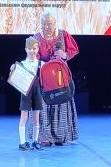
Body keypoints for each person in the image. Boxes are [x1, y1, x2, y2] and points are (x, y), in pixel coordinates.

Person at [36, 11, 79, 146]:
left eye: (49, 24)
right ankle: (45, 137)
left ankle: (62, 136)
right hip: (45, 77)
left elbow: (73, 50)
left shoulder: (63, 34)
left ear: (55, 23)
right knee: (44, 105)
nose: (46, 27)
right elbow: (33, 57)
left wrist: (65, 55)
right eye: (44, 24)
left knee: (62, 102)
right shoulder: (37, 38)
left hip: (60, 76)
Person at [14, 37, 44, 151]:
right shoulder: (22, 64)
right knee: (24, 116)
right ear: (26, 49)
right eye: (30, 48)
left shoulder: (41, 64)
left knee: (36, 118)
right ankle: (22, 143)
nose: (32, 51)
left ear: (38, 49)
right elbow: (15, 74)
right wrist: (12, 68)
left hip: (37, 92)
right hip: (26, 92)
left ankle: (35, 141)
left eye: (34, 48)